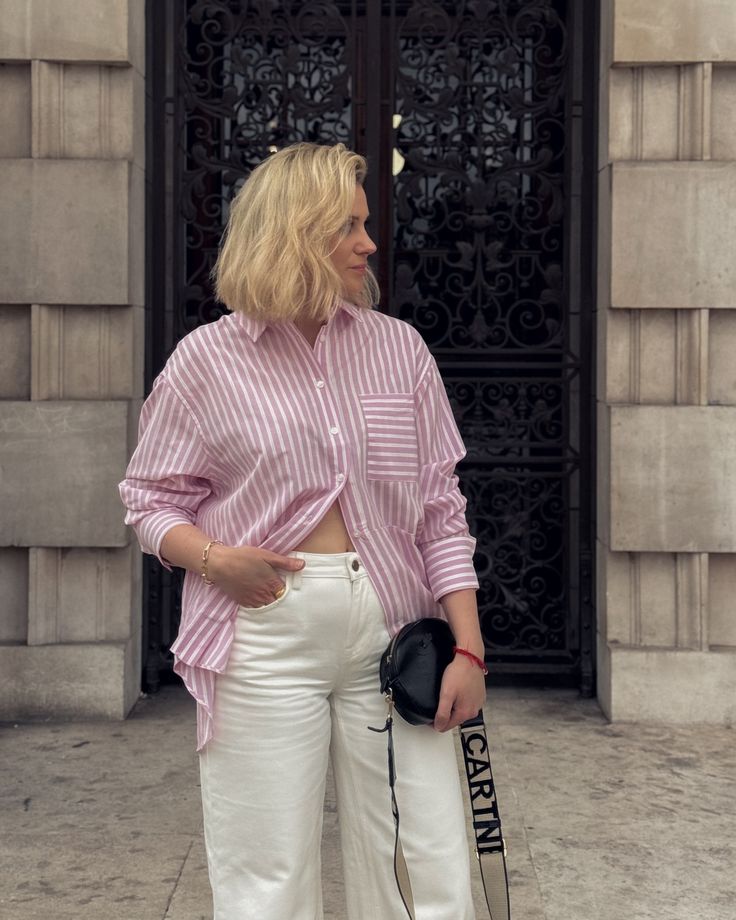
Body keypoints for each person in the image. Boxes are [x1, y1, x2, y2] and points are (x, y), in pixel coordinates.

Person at [119, 142, 487, 920]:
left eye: (364, 224)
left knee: (425, 863)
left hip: (391, 633)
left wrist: (468, 648)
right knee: (267, 871)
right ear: (292, 232)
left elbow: (439, 507)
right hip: (260, 639)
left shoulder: (400, 351)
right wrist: (216, 561)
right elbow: (148, 501)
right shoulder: (204, 364)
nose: (369, 243)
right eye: (347, 227)